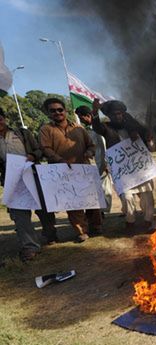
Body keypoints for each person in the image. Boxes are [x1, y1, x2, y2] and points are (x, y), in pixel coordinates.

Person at [39, 98, 102, 242]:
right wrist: (60, 160)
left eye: (60, 109)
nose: (57, 113)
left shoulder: (79, 128)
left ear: (65, 111)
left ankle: (96, 226)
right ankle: (81, 231)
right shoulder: (46, 129)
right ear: (48, 113)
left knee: (91, 200)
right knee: (73, 203)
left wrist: (89, 152)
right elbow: (45, 149)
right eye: (53, 111)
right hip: (62, 171)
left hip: (83, 169)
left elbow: (91, 145)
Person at [92, 99, 156, 231]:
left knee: (147, 196)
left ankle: (148, 220)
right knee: (127, 197)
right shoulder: (107, 128)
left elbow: (147, 139)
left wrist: (146, 136)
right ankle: (130, 221)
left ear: (123, 113)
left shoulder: (135, 126)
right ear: (109, 116)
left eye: (120, 113)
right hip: (123, 171)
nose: (117, 116)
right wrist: (94, 112)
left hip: (140, 169)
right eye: (114, 114)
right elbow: (97, 127)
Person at [0, 108, 48, 261]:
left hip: (32, 175)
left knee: (43, 210)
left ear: (4, 118)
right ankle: (30, 247)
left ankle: (50, 235)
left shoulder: (22, 133)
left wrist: (32, 156)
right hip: (12, 181)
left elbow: (39, 150)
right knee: (19, 215)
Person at [75, 106, 113, 215]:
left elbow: (103, 146)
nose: (81, 120)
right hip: (98, 162)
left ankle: (102, 212)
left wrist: (105, 163)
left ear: (88, 116)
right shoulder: (89, 130)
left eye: (80, 117)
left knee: (105, 188)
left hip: (104, 163)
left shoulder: (98, 128)